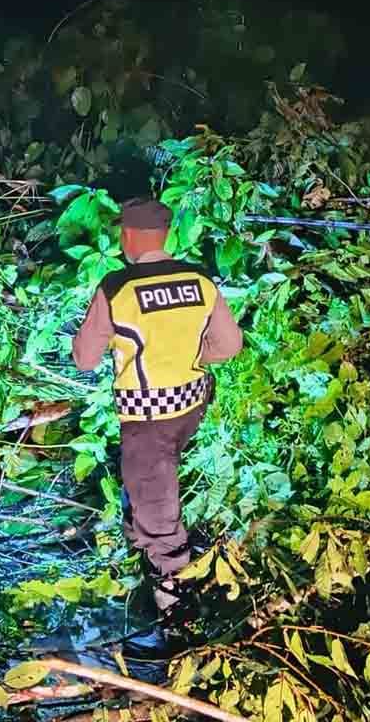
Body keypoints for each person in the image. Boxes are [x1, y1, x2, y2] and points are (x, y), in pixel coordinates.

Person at [72, 198, 242, 616]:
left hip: (148, 415)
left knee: (157, 503)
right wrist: (192, 354)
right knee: (152, 480)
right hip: (192, 404)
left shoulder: (117, 288)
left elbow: (84, 359)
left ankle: (174, 605)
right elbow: (230, 345)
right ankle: (144, 544)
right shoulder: (199, 281)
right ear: (166, 236)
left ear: (127, 236)